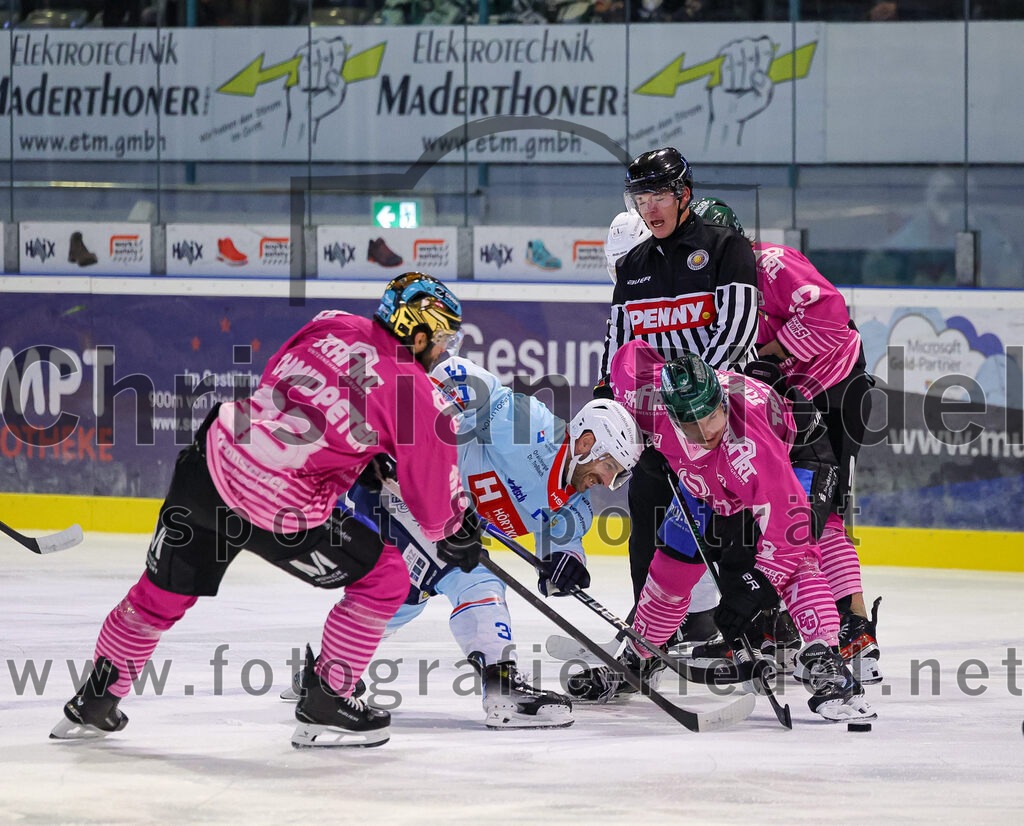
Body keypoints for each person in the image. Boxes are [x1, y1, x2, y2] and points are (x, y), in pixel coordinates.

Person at [50, 272, 487, 749]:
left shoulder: (331, 324)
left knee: (159, 595)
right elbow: (435, 514)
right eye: (442, 337)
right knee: (385, 580)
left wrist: (355, 449)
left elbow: (278, 382)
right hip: (280, 509)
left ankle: (95, 701)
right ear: (417, 333)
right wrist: (458, 534)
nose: (443, 351)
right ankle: (327, 702)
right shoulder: (424, 400)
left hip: (210, 465)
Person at [294, 357, 644, 729]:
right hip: (394, 486)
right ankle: (503, 689)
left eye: (617, 476)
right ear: (587, 442)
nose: (608, 482)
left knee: (399, 598)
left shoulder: (575, 502)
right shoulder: (530, 425)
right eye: (609, 468)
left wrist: (565, 564)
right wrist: (419, 438)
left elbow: (563, 538)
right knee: (475, 578)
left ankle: (326, 676)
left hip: (433, 519)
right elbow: (455, 374)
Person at [570, 341, 876, 722]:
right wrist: (611, 396)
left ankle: (825, 663)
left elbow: (789, 533)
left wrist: (751, 592)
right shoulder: (646, 399)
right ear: (669, 411)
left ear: (720, 400)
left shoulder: (748, 445)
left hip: (797, 456)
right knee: (671, 565)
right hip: (702, 477)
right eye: (690, 423)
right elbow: (629, 354)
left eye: (711, 416)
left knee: (796, 561)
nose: (705, 430)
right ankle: (642, 655)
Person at [692, 196, 882, 684]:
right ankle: (784, 629)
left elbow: (830, 313)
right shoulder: (717, 285)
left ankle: (854, 631)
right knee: (785, 509)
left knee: (822, 514)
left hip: (836, 391)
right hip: (796, 399)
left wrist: (772, 355)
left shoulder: (769, 263)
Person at [597, 147, 759, 647]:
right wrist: (608, 400)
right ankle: (651, 634)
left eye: (658, 194)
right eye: (639, 196)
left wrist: (695, 401)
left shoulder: (724, 247)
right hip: (655, 428)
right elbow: (619, 343)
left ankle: (756, 629)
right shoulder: (633, 267)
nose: (649, 207)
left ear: (684, 194)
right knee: (646, 523)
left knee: (729, 531)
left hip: (720, 421)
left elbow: (737, 330)